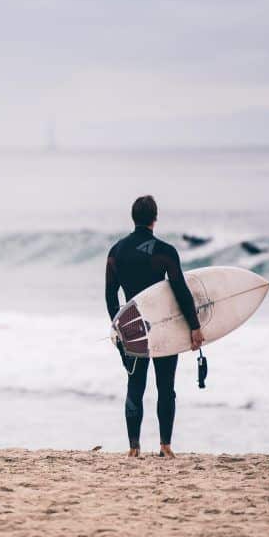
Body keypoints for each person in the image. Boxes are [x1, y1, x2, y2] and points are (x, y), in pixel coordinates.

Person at [105, 196, 204, 459]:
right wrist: (194, 326)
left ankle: (134, 447)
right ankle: (165, 446)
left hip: (133, 328)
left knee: (135, 385)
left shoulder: (116, 252)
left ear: (133, 217)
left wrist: (119, 327)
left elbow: (110, 295)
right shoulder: (165, 251)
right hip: (163, 328)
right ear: (155, 218)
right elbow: (180, 291)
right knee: (166, 386)